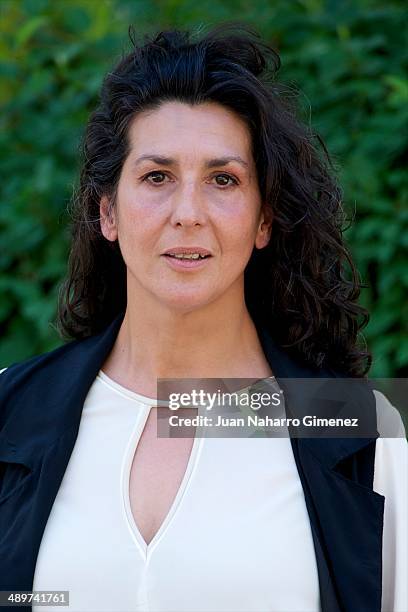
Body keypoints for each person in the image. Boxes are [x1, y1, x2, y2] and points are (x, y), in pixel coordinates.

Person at [0, 22, 407, 612]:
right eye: (157, 177)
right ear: (107, 211)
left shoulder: (358, 428)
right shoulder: (14, 407)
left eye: (223, 179)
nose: (187, 213)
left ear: (264, 218)